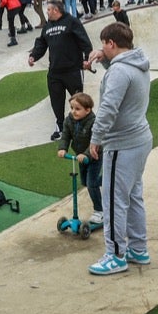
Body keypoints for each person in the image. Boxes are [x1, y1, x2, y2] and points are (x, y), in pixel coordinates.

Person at [85, 21, 154, 276]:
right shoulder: (137, 63)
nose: (101, 48)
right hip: (140, 139)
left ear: (111, 43)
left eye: (104, 44)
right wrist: (105, 60)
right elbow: (122, 82)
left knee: (114, 200)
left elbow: (108, 109)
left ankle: (115, 255)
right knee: (133, 196)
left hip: (122, 143)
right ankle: (138, 248)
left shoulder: (118, 72)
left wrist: (96, 138)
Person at [29, 0, 94, 142]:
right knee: (56, 101)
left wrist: (87, 58)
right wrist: (34, 56)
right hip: (55, 72)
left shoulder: (72, 22)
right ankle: (60, 126)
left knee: (78, 100)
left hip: (72, 69)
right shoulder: (47, 26)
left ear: (56, 10)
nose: (47, 12)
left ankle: (84, 126)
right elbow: (41, 43)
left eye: (49, 10)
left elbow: (84, 40)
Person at [58, 91, 103, 226]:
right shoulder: (69, 120)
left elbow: (95, 142)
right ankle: (106, 180)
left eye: (77, 109)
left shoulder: (93, 122)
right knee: (85, 182)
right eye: (72, 108)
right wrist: (62, 148)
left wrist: (86, 154)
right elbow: (66, 135)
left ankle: (99, 211)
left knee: (91, 184)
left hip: (94, 156)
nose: (73, 112)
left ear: (88, 110)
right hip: (80, 157)